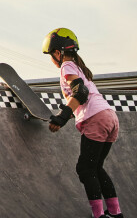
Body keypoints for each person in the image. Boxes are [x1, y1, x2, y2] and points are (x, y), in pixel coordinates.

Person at [43, 28, 124, 218]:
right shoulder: (80, 68)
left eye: (50, 55)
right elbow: (81, 99)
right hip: (109, 116)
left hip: (96, 117)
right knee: (96, 167)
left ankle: (98, 216)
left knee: (85, 169)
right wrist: (66, 114)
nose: (51, 60)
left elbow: (80, 93)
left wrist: (62, 117)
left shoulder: (67, 66)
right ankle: (115, 213)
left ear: (57, 52)